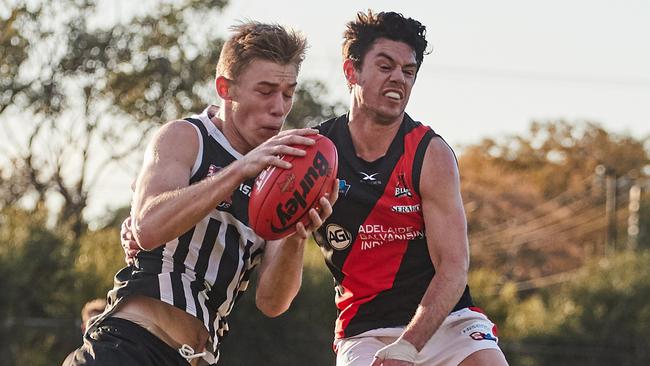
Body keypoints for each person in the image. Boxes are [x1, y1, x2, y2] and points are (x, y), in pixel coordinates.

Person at [66, 21, 337, 366]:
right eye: (265, 91)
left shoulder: (281, 175)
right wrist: (239, 169)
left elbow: (273, 302)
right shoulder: (186, 137)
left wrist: (298, 236)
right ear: (226, 88)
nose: (279, 107)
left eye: (288, 93)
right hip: (130, 345)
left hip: (196, 359)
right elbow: (147, 228)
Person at [311, 11, 509, 366]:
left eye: (408, 71)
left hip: (446, 322)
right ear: (351, 71)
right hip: (365, 330)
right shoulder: (314, 152)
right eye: (385, 66)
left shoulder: (430, 154)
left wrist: (408, 346)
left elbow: (453, 266)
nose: (398, 79)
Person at [62, 299, 107, 365]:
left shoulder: (120, 356)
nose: (97, 330)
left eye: (101, 324)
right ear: (84, 328)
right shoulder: (72, 360)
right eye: (92, 324)